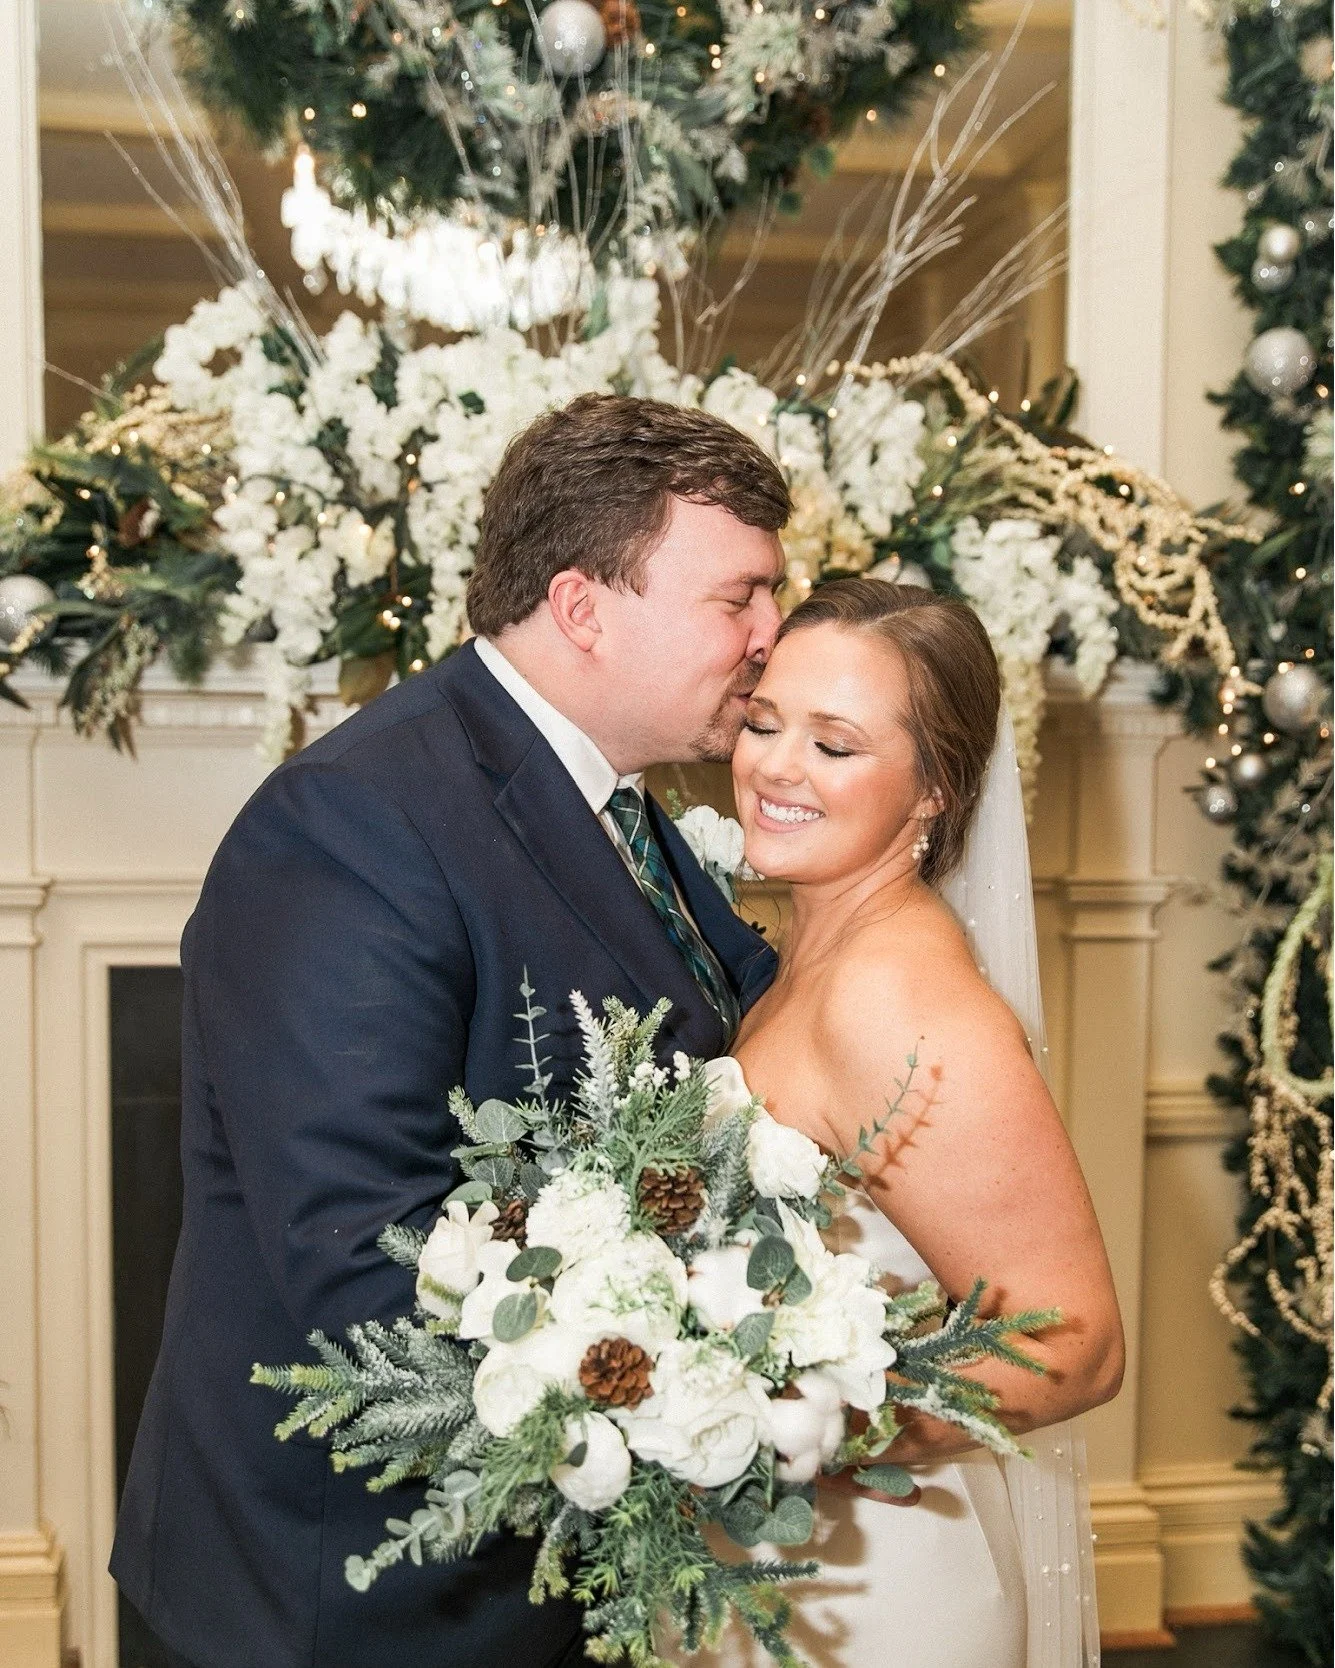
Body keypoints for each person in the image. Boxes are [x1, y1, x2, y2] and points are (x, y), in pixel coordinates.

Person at [109, 393, 791, 1668]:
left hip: (530, 1573)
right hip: (350, 1594)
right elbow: (365, 1252)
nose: (772, 635)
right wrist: (685, 1382)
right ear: (583, 605)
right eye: (737, 597)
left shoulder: (622, 802)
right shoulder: (352, 825)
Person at [698, 578, 1124, 1668]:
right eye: (763, 723)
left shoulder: (898, 995)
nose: (775, 767)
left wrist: (811, 1428)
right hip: (779, 1567)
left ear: (934, 788)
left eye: (833, 744)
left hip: (872, 1590)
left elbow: (1076, 1347)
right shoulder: (806, 954)